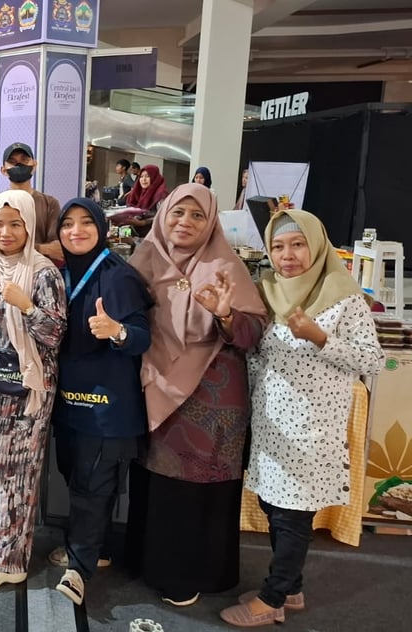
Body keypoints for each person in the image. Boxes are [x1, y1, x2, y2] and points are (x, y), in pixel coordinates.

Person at [220, 210, 384, 627]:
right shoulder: (268, 291)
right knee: (273, 506)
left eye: (297, 244)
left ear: (317, 246)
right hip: (270, 427)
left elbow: (373, 360)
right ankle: (290, 588)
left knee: (292, 516)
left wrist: (321, 338)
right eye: (277, 246)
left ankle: (272, 598)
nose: (287, 255)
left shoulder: (344, 297)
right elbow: (256, 352)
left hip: (313, 431)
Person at [125, 183, 268, 606]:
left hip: (210, 398)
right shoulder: (144, 259)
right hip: (154, 384)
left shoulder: (225, 265)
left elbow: (254, 332)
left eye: (197, 215)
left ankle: (189, 575)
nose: (185, 222)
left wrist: (226, 315)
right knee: (155, 480)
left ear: (211, 223)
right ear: (163, 215)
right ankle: (148, 562)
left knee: (195, 488)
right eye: (177, 213)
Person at [48, 198, 153, 605]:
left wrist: (117, 331)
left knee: (92, 486)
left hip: (106, 406)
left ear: (101, 229)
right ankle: (98, 548)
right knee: (76, 477)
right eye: (67, 224)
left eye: (85, 223)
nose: (75, 231)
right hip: (67, 401)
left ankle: (79, 568)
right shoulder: (59, 274)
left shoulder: (119, 276)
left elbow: (142, 337)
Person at [0, 190, 67, 590]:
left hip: (27, 390)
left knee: (16, 474)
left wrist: (27, 306)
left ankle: (10, 562)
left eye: (15, 224)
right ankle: (5, 544)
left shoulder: (44, 272)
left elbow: (55, 334)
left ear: (29, 227)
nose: (5, 232)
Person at [0, 143, 63, 264]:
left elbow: (56, 249)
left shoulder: (50, 203)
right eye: (12, 162)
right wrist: (41, 248)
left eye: (24, 160)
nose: (19, 165)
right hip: (3, 270)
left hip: (40, 269)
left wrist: (12, 247)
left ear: (34, 165)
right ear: (3, 170)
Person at [118, 164, 169, 237]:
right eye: (141, 176)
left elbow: (163, 217)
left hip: (152, 236)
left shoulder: (160, 195)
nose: (143, 179)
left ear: (154, 178)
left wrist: (143, 222)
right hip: (136, 233)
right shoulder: (138, 192)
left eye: (147, 176)